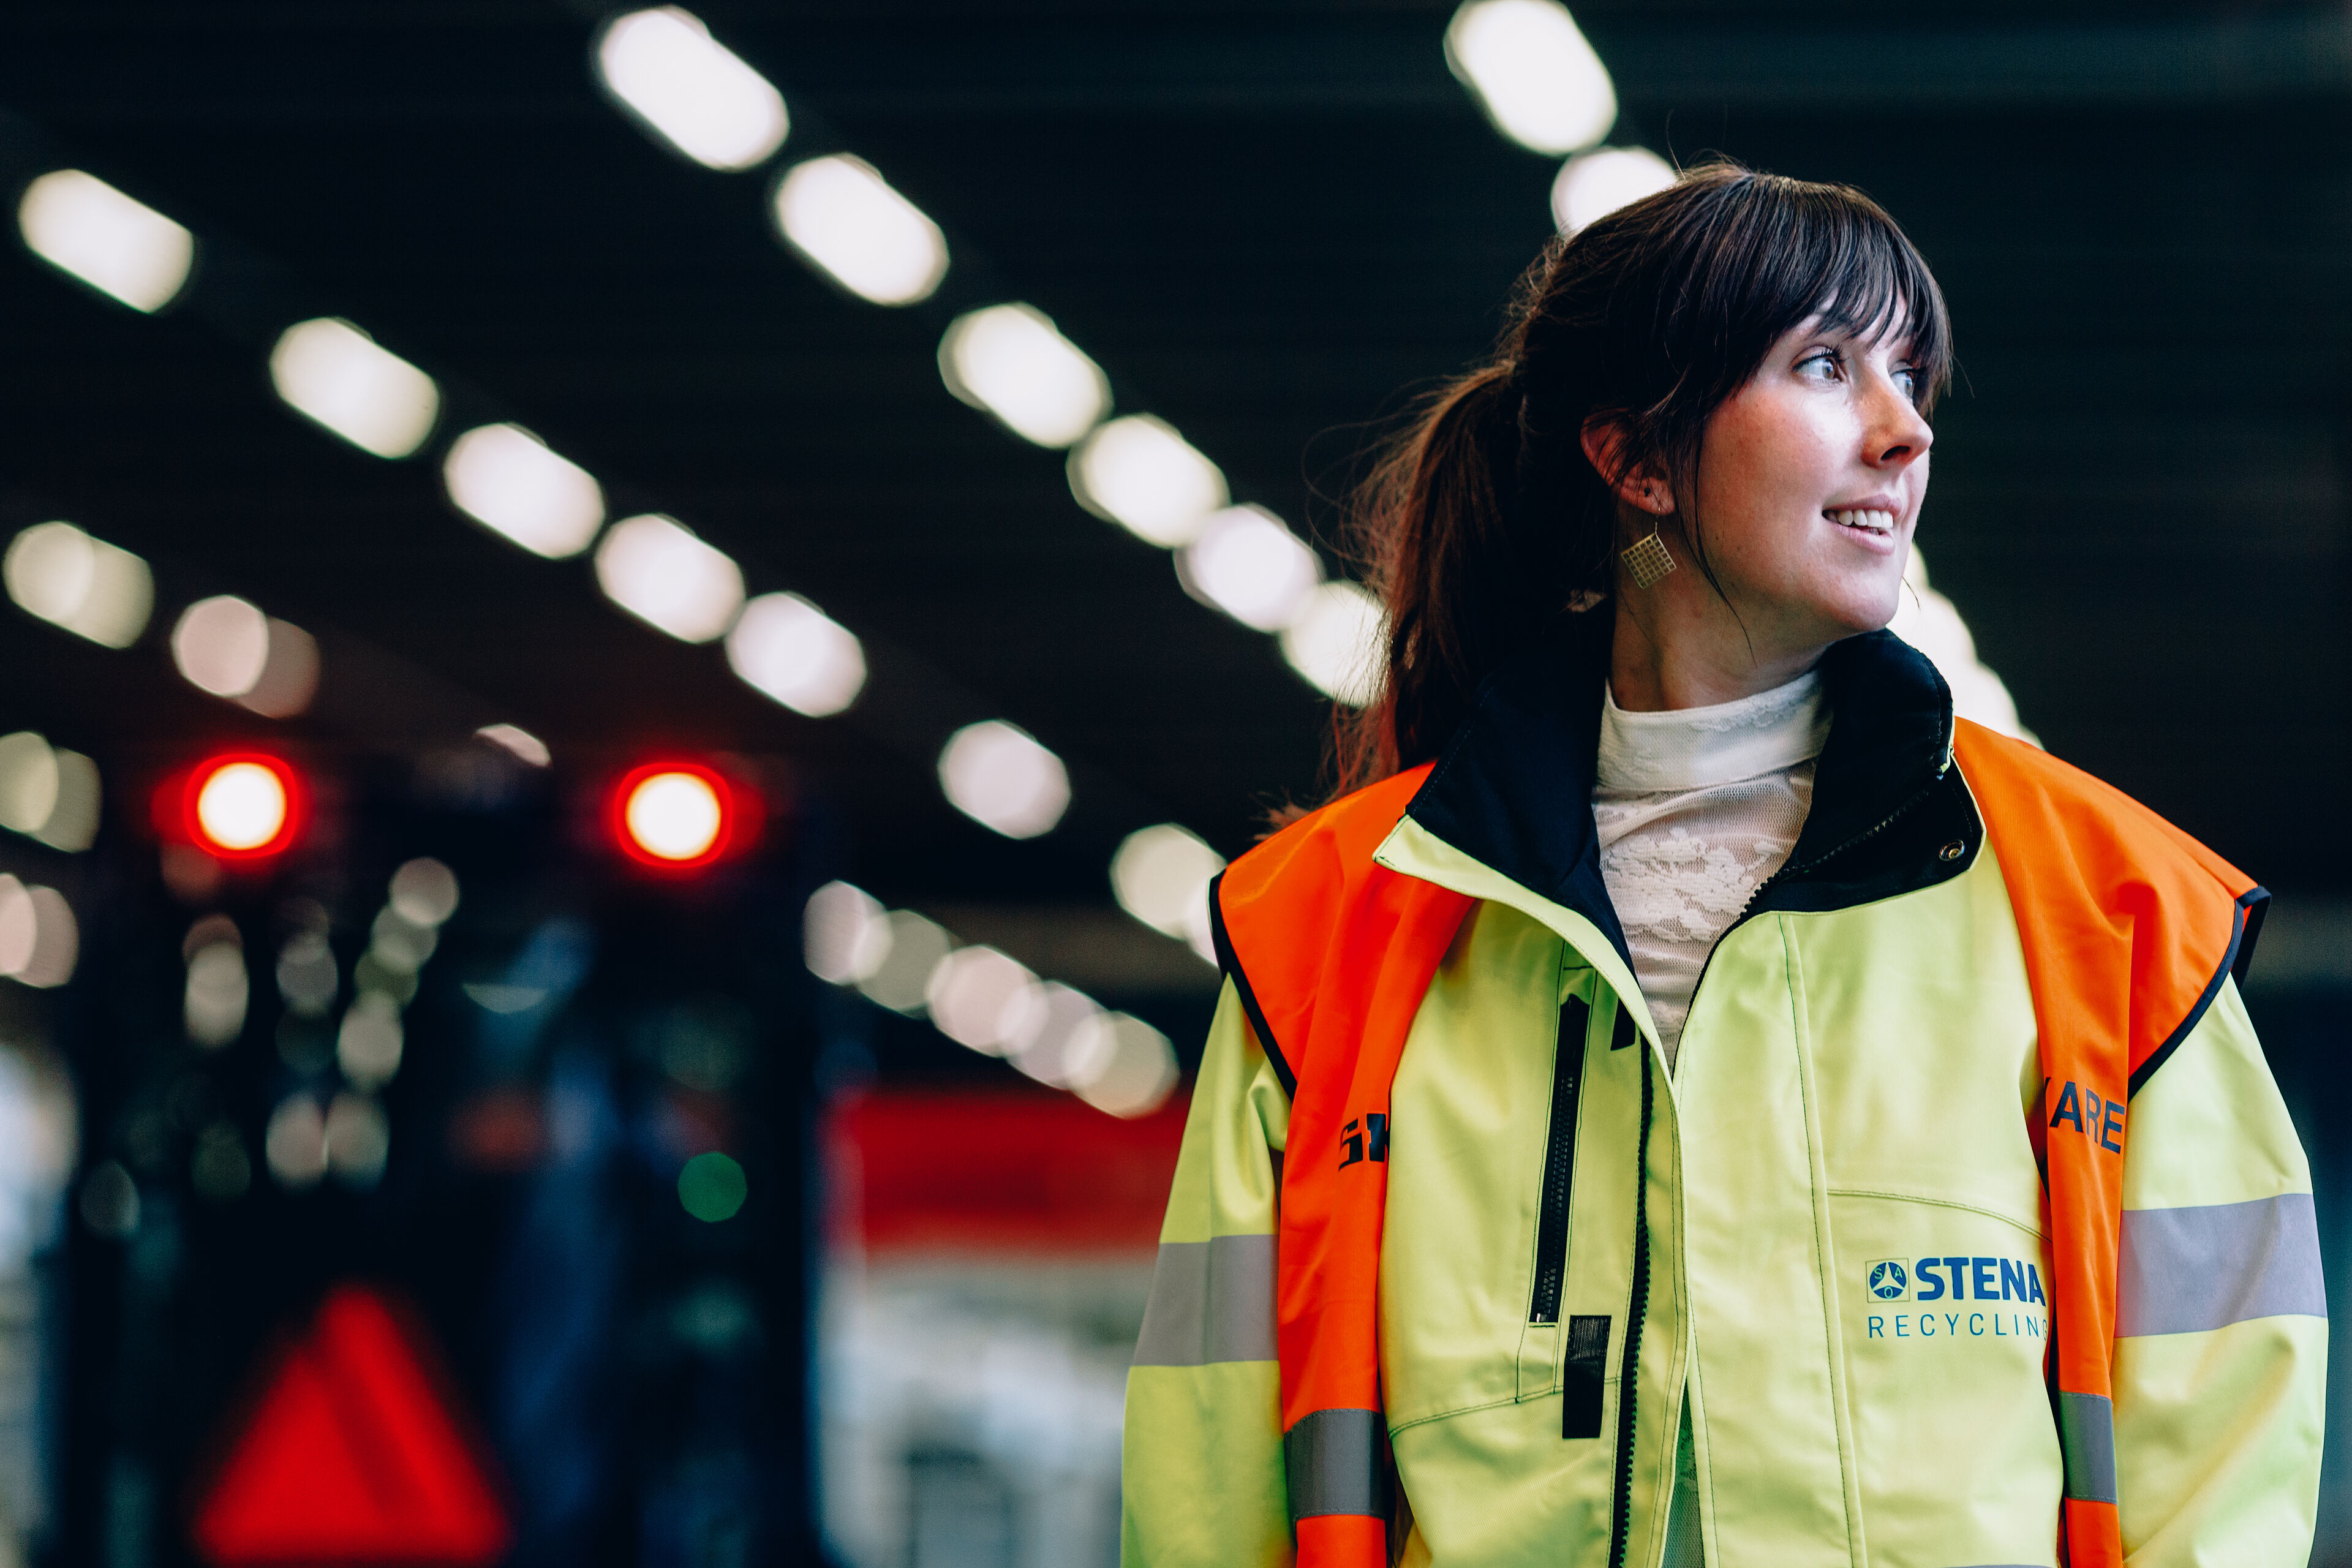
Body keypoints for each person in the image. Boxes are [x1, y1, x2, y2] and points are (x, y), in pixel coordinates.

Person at [1120, 162, 2324, 1568]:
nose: (1902, 429)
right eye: (1826, 364)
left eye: (1910, 373)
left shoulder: (2119, 915)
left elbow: (2222, 1473)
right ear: (1634, 457)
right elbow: (1205, 1489)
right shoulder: (1324, 935)